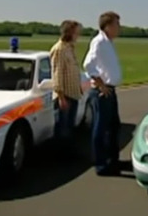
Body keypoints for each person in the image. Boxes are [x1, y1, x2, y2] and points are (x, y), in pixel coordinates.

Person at [83, 11, 123, 176]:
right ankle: (101, 164)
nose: (119, 28)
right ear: (107, 26)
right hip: (102, 91)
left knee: (113, 127)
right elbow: (88, 65)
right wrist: (100, 85)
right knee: (101, 129)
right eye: (116, 24)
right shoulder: (99, 42)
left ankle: (113, 160)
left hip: (110, 90)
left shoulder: (109, 42)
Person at [49, 20, 83, 156]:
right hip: (65, 96)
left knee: (70, 126)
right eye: (76, 32)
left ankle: (69, 152)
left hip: (73, 93)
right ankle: (62, 155)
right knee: (63, 127)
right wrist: (61, 97)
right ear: (69, 32)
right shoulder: (59, 49)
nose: (78, 35)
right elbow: (57, 74)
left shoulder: (70, 48)